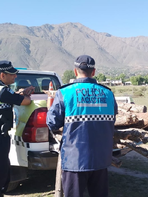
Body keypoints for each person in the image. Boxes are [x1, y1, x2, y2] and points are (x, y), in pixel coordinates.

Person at [46, 55, 117, 197]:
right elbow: (112, 119)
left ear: (75, 71)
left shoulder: (65, 93)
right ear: (94, 72)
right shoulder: (108, 93)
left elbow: (52, 123)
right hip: (101, 159)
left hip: (75, 160)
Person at [0, 61, 34, 197]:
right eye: (12, 74)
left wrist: (19, 93)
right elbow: (26, 101)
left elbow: (8, 97)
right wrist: (26, 95)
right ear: (3, 75)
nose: (15, 77)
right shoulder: (0, 90)